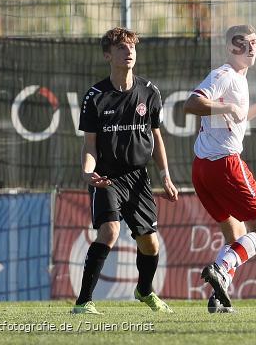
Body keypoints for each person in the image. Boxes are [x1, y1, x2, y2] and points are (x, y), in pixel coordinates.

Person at [72, 27, 178, 315]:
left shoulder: (149, 91)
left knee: (150, 243)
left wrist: (165, 174)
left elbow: (156, 137)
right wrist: (87, 173)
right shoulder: (95, 96)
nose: (129, 52)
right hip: (106, 176)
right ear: (108, 55)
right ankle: (83, 302)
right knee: (110, 231)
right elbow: (90, 145)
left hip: (138, 177)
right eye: (121, 48)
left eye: (132, 47)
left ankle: (144, 291)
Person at [184, 24, 256, 311]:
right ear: (229, 48)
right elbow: (191, 103)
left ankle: (218, 299)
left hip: (202, 169)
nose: (250, 47)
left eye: (254, 42)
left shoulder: (239, 79)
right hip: (224, 166)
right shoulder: (224, 74)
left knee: (234, 236)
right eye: (242, 43)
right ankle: (221, 268)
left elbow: (236, 118)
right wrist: (226, 109)